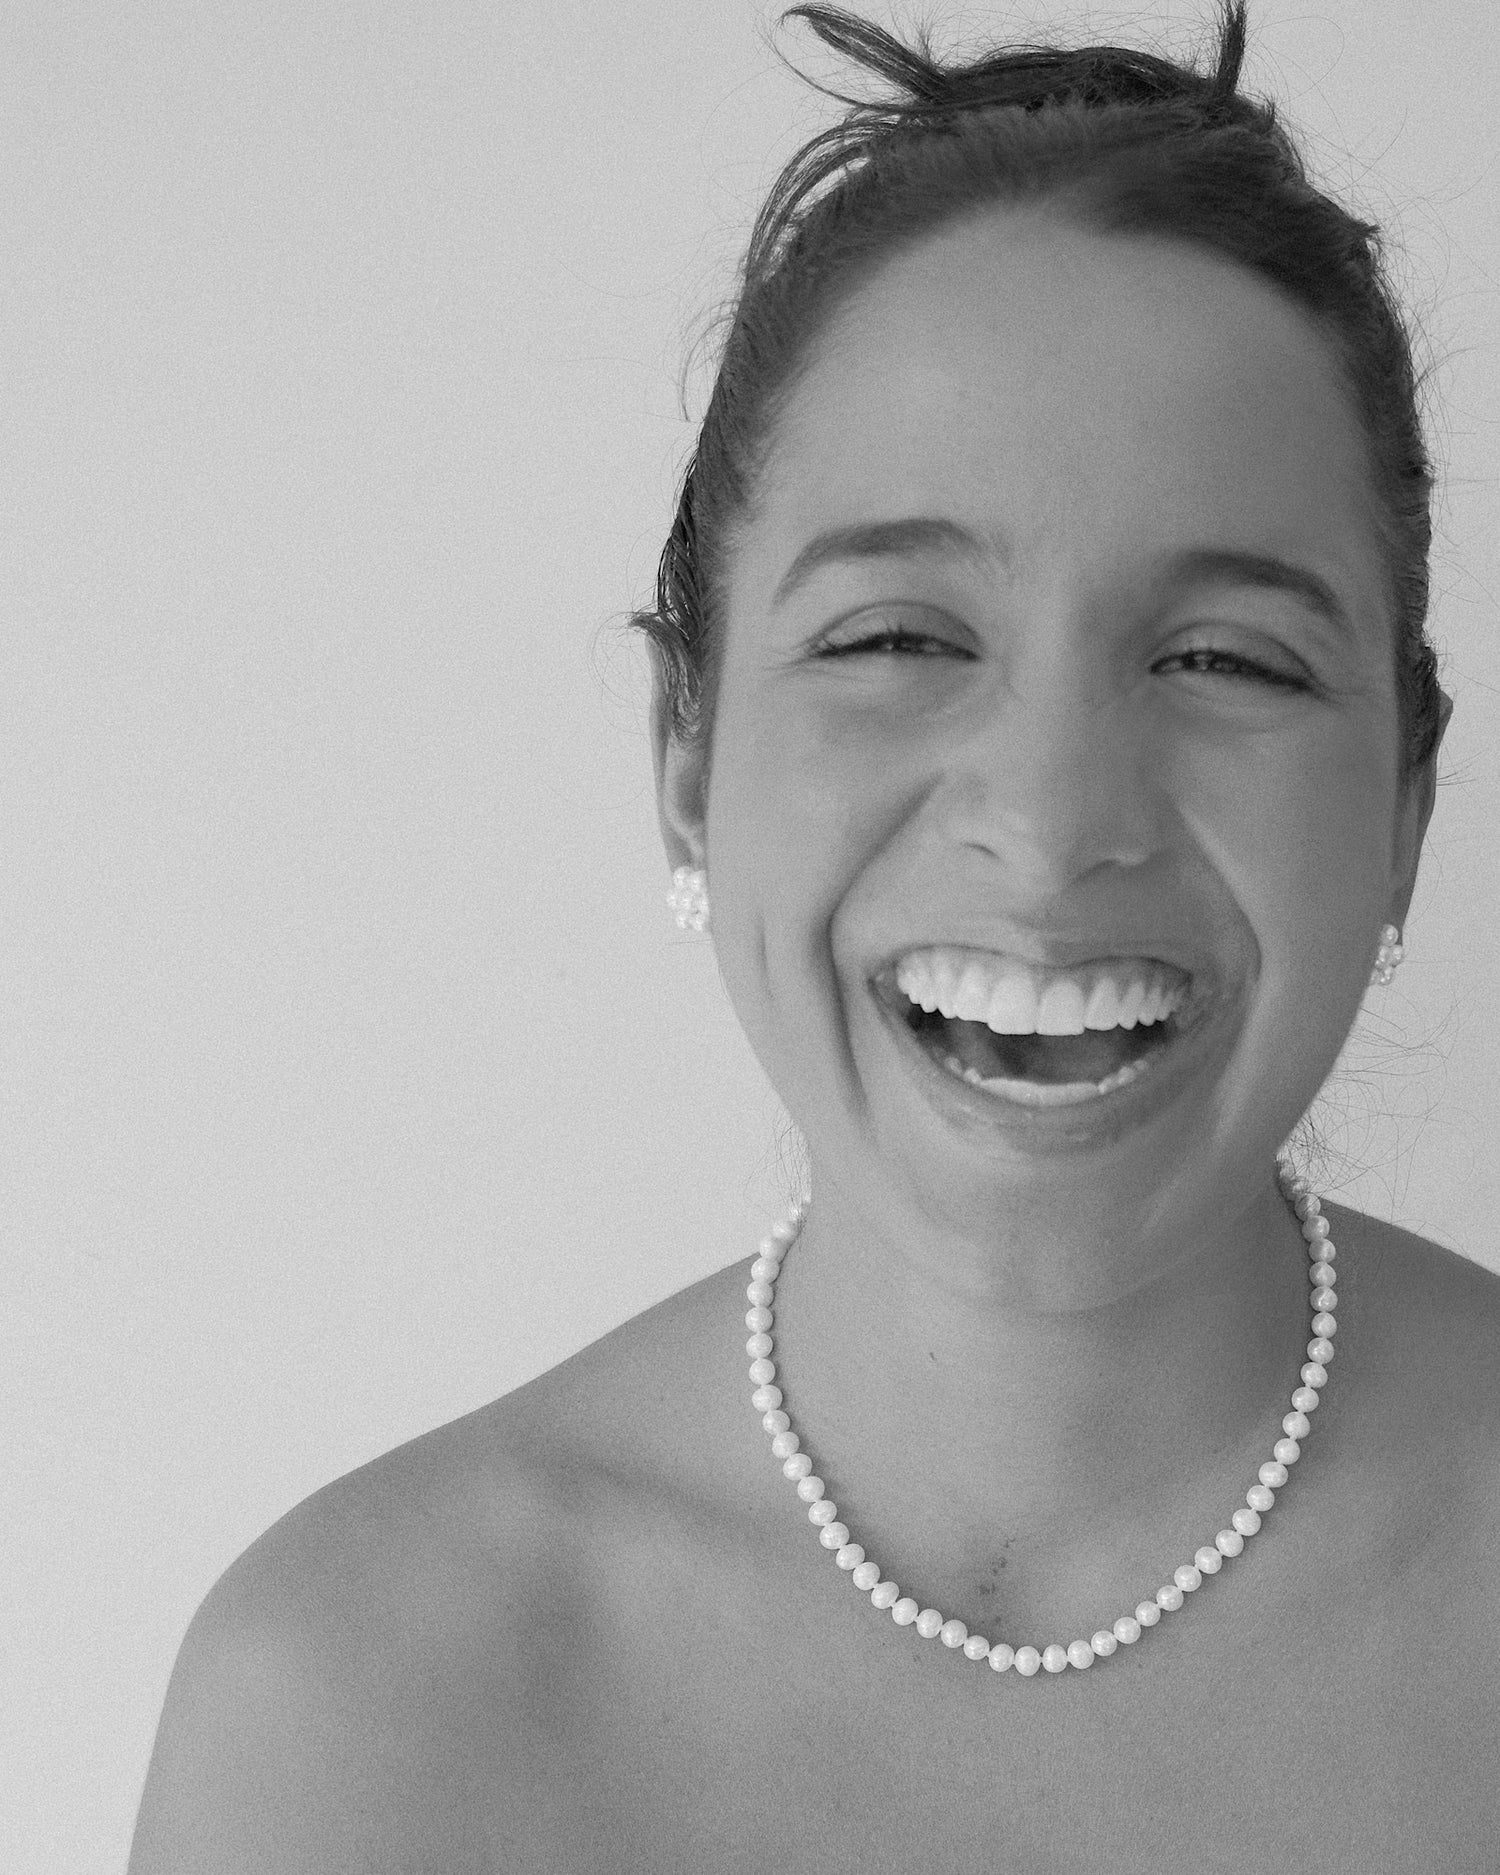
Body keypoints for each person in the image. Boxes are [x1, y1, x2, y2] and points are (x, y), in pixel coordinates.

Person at [129, 4, 1498, 1869]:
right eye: (899, 639)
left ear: (1409, 811)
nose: (1053, 819)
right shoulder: (359, 1713)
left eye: (1225, 660)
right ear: (686, 755)